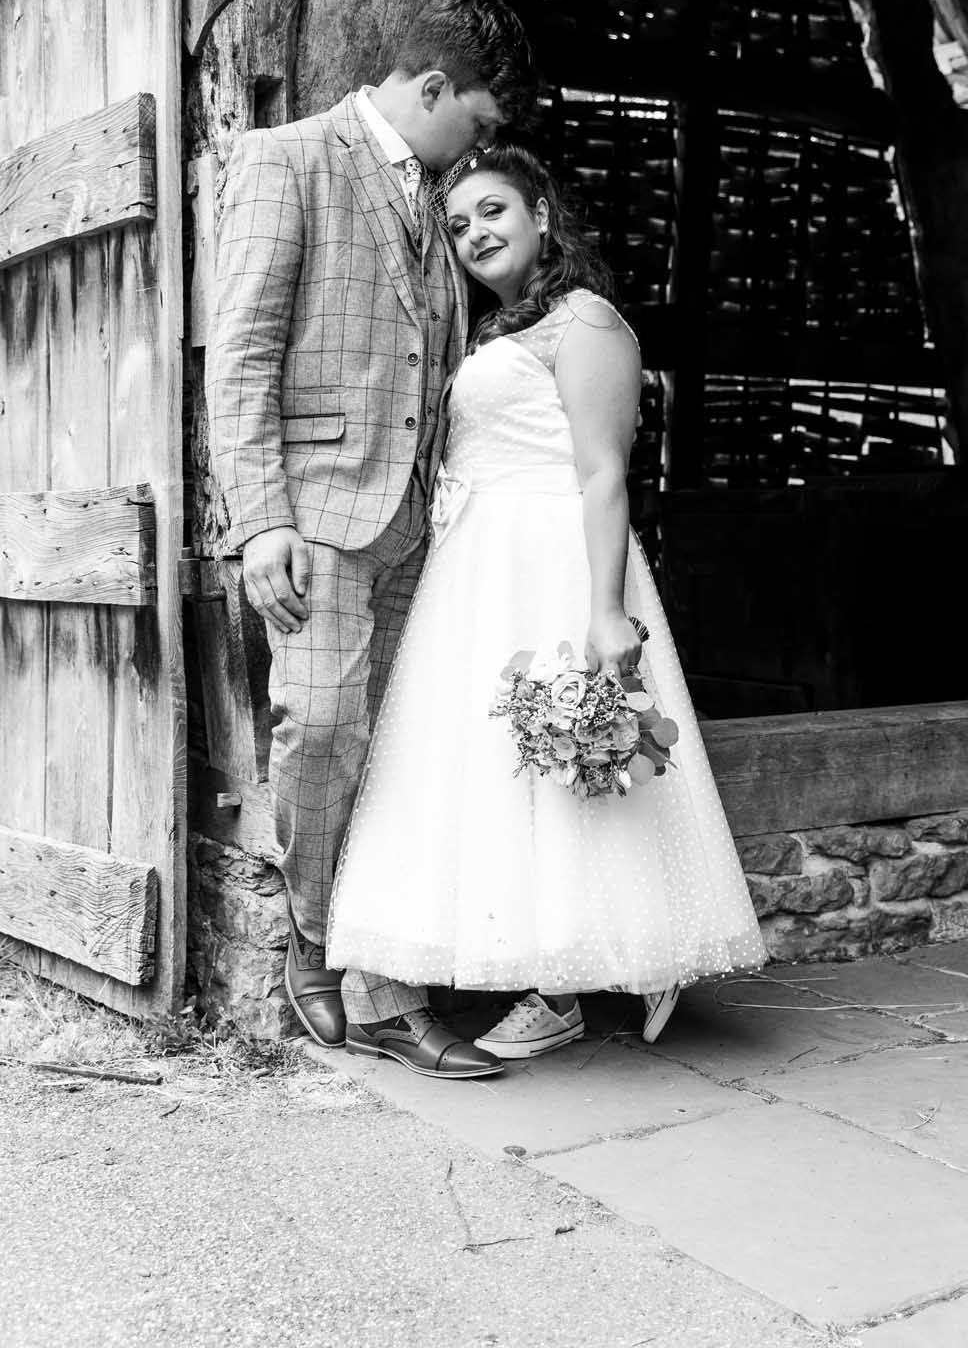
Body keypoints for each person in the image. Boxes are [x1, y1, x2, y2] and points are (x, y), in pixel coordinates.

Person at [326, 145, 766, 1066]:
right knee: (496, 767)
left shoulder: (587, 323)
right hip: (475, 565)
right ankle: (548, 968)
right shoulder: (496, 332)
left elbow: (604, 475)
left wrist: (605, 611)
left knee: (567, 763)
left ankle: (581, 979)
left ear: (543, 216)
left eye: (493, 211)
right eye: (457, 225)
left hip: (550, 557)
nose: (475, 233)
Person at [207, 0, 537, 1081]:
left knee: (396, 749)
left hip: (416, 527)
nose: (481, 145)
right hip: (316, 519)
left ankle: (385, 967)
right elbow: (243, 352)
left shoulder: (438, 198)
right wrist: (260, 521)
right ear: (432, 88)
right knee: (325, 722)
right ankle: (313, 937)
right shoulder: (283, 159)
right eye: (478, 122)